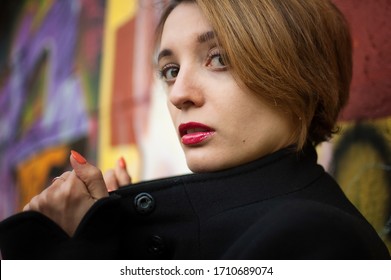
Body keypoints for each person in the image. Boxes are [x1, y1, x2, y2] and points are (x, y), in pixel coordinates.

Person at [0, 0, 389, 259]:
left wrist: (76, 251)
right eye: (171, 71)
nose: (180, 94)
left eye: (219, 59)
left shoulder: (315, 240)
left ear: (299, 74)